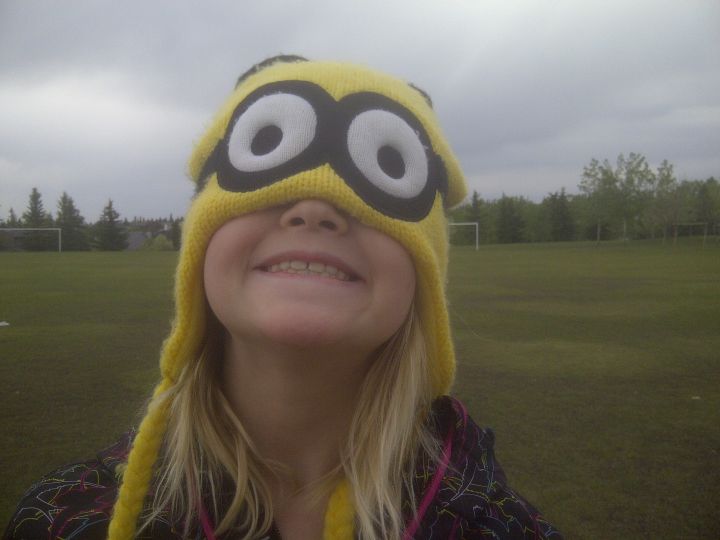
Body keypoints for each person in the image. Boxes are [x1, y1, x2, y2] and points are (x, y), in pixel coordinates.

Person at [3, 56, 562, 540]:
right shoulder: (59, 519)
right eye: (274, 169)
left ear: (423, 275)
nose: (314, 208)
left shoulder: (496, 524)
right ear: (201, 246)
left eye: (382, 176)